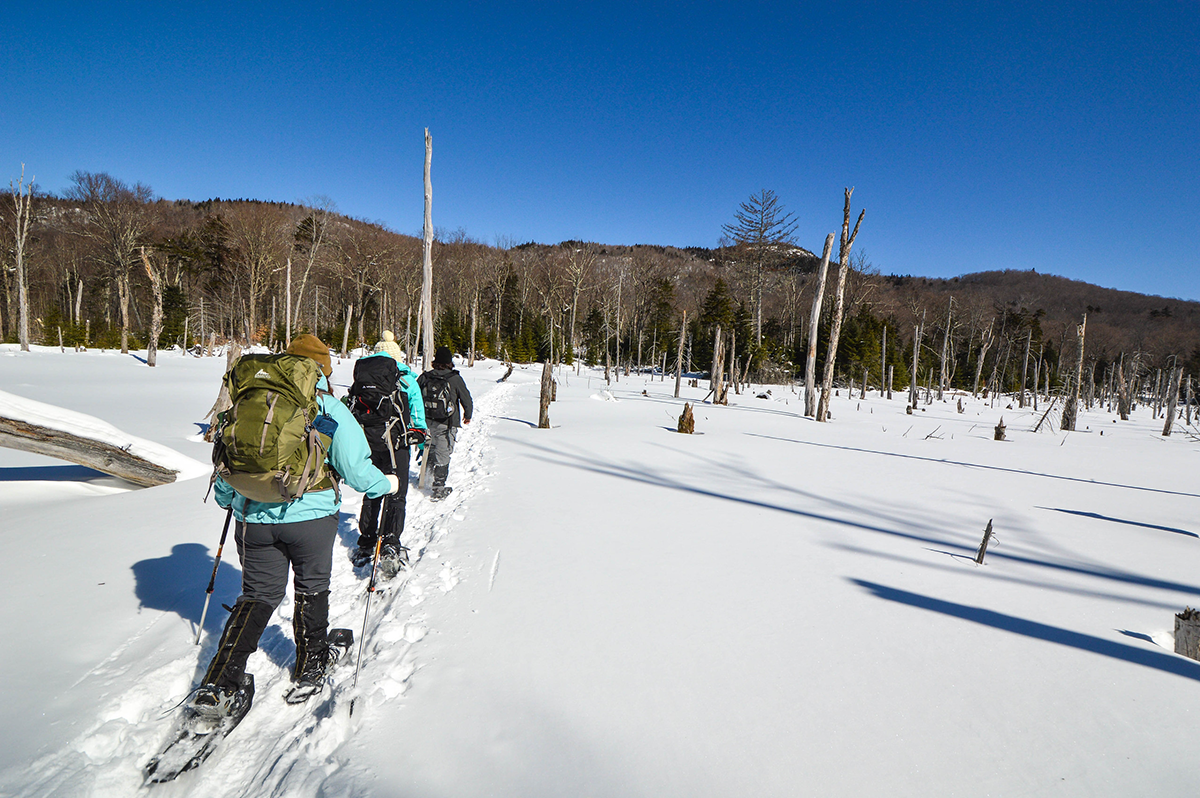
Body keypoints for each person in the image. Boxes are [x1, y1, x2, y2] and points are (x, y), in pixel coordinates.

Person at [195, 334, 399, 718]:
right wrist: (385, 484)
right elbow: (356, 470)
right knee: (311, 588)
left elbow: (228, 464)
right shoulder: (329, 408)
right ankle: (310, 665)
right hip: (312, 518)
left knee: (256, 595)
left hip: (253, 519)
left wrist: (229, 501)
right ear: (321, 369)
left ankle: (220, 682)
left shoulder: (251, 403)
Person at [349, 331, 426, 571]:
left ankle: (366, 542)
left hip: (367, 442)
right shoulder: (405, 379)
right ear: (397, 356)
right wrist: (421, 438)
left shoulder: (362, 377)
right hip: (396, 444)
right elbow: (417, 414)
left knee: (373, 489)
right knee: (397, 492)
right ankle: (391, 542)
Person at [417, 345, 473, 501]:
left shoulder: (425, 377)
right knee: (443, 452)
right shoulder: (455, 379)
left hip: (426, 421)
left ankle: (424, 478)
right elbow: (466, 399)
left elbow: (414, 395)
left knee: (429, 449)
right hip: (447, 422)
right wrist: (467, 415)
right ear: (449, 362)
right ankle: (438, 488)